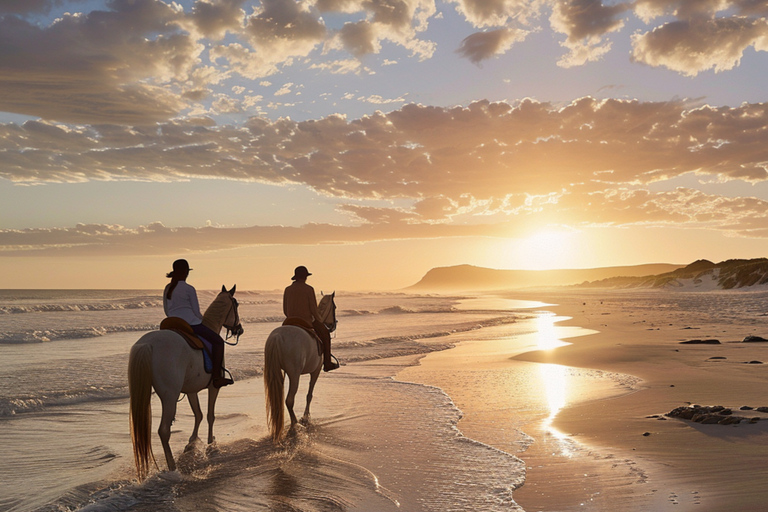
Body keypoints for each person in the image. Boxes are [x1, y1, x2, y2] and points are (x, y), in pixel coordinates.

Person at [164, 259, 233, 388]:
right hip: (191, 324)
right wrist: (202, 321)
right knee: (218, 342)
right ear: (186, 272)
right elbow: (196, 312)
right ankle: (217, 377)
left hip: (171, 323)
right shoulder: (189, 289)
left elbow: (167, 310)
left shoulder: (168, 288)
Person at [283, 265, 339, 371]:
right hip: (306, 322)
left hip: (289, 321)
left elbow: (285, 310)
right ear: (305, 277)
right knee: (326, 335)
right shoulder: (309, 289)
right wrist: (320, 321)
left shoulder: (288, 289)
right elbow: (313, 309)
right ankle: (327, 363)